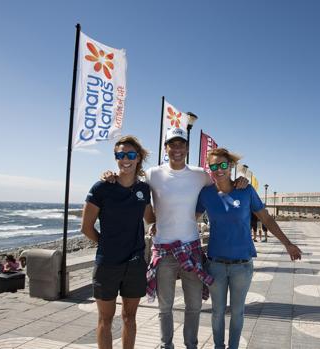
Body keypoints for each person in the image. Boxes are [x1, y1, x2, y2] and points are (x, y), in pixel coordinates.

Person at [101, 127, 248, 349]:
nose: (177, 149)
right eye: (172, 144)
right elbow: (130, 180)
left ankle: (191, 345)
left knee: (194, 306)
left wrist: (240, 180)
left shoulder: (200, 175)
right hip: (162, 250)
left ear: (187, 148)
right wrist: (109, 175)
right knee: (165, 307)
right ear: (166, 148)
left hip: (191, 249)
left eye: (181, 144)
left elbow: (222, 182)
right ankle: (165, 345)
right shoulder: (153, 174)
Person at [196, 148, 302, 349]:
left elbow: (266, 218)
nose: (219, 169)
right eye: (214, 166)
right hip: (215, 265)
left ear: (231, 167)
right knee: (217, 312)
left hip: (242, 266)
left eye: (223, 165)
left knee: (237, 312)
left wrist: (287, 243)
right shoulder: (206, 194)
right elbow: (188, 218)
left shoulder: (246, 190)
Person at [81, 135, 151, 349]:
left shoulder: (144, 190)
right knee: (105, 319)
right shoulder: (102, 187)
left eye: (130, 155)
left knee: (130, 317)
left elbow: (151, 219)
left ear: (138, 158)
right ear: (116, 157)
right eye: (120, 155)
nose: (125, 159)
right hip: (108, 264)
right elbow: (86, 227)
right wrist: (107, 245)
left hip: (136, 263)